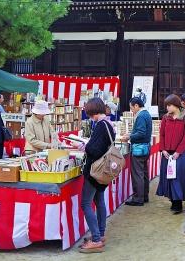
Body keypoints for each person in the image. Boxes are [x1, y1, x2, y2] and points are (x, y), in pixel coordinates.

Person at [78, 98, 114, 253]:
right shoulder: (108, 124)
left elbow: (94, 150)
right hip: (103, 171)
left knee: (86, 203)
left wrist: (83, 146)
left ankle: (96, 239)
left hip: (95, 170)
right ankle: (100, 233)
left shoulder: (100, 126)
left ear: (92, 111)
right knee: (99, 200)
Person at [156, 94, 185, 214]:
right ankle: (172, 200)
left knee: (178, 177)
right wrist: (163, 149)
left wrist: (178, 152)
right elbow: (162, 134)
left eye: (169, 105)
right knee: (168, 177)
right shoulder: (165, 118)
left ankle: (178, 203)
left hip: (179, 154)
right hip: (167, 153)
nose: (167, 108)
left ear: (176, 105)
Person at [123, 97, 153, 206]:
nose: (132, 111)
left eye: (132, 108)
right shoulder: (146, 114)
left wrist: (129, 136)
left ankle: (138, 198)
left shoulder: (141, 116)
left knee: (138, 174)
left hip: (139, 148)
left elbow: (141, 133)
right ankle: (144, 196)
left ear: (136, 105)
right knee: (143, 173)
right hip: (145, 147)